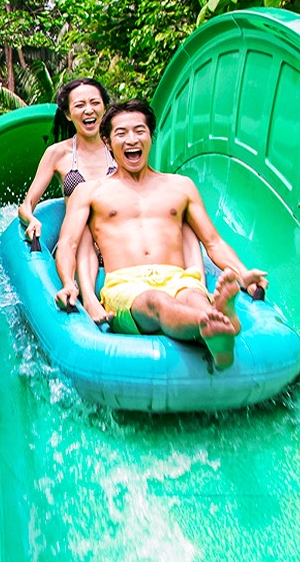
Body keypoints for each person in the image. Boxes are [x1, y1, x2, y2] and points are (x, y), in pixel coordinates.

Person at [53, 100, 267, 364]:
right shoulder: (90, 192)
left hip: (179, 277)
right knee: (157, 301)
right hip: (126, 284)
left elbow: (213, 242)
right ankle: (215, 323)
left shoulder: (181, 186)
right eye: (121, 133)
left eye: (139, 131)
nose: (132, 139)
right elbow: (68, 243)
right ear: (107, 143)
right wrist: (69, 285)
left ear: (150, 137)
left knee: (193, 296)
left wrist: (243, 274)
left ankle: (212, 319)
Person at [17, 78, 117, 322]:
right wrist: (31, 220)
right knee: (82, 223)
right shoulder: (59, 154)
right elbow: (26, 204)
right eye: (80, 105)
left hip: (115, 238)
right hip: (79, 242)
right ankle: (78, 292)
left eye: (95, 103)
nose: (88, 110)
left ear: (104, 107)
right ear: (68, 114)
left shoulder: (118, 147)